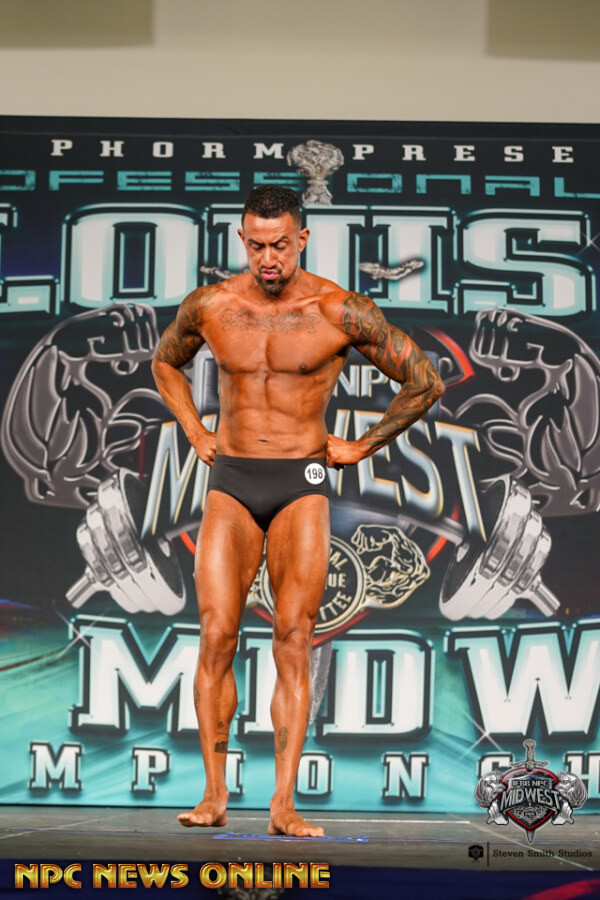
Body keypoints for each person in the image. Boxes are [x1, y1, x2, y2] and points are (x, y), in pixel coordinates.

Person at [152, 185, 444, 837]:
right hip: (231, 479)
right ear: (241, 239)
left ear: (302, 239)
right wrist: (194, 431)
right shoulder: (212, 305)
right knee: (217, 633)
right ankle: (214, 795)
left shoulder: (338, 309)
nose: (268, 258)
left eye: (280, 244)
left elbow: (424, 380)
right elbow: (165, 364)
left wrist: (363, 446)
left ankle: (283, 805)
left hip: (301, 479)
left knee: (293, 638)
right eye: (256, 245)